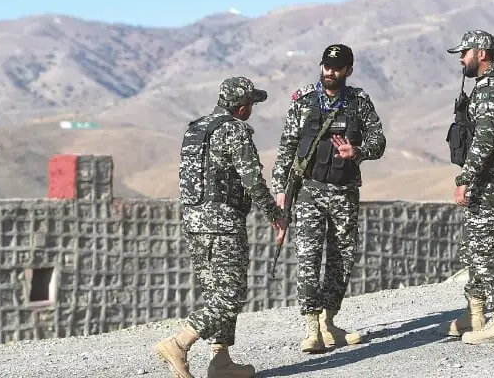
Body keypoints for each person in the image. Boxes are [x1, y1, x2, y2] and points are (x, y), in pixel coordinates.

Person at [156, 76, 286, 378]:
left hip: (194, 222)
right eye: (251, 104)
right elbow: (252, 179)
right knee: (232, 295)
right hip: (223, 224)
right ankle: (179, 343)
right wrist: (275, 214)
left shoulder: (195, 130)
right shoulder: (234, 130)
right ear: (241, 108)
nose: (251, 109)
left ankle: (221, 361)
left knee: (217, 293)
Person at [271, 44, 386, 353]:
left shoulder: (359, 102)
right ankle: (312, 329)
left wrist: (358, 151)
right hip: (309, 191)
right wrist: (280, 190)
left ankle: (328, 322)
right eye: (326, 66)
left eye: (337, 67)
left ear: (349, 70)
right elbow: (286, 147)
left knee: (342, 259)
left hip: (345, 192)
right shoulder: (304, 101)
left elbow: (379, 141)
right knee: (308, 257)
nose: (330, 72)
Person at [438, 30, 494, 344]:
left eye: (465, 53)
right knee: (474, 246)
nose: (461, 59)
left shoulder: (493, 88)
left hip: (489, 178)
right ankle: (475, 313)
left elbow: (485, 140)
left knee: (487, 248)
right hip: (488, 177)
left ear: (482, 53)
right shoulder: (492, 85)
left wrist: (465, 179)